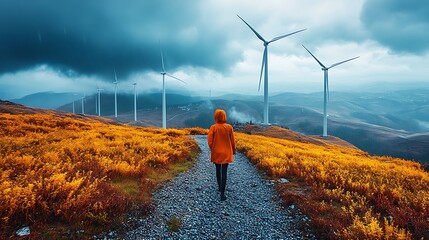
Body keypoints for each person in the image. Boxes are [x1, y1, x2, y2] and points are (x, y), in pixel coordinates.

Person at [207, 109, 236, 201]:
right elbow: (233, 141)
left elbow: (210, 141)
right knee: (224, 172)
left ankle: (219, 186)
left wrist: (213, 149)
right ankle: (223, 194)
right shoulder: (229, 127)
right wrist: (233, 151)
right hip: (226, 153)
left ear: (215, 116)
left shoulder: (213, 127)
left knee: (217, 170)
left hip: (217, 152)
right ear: (224, 116)